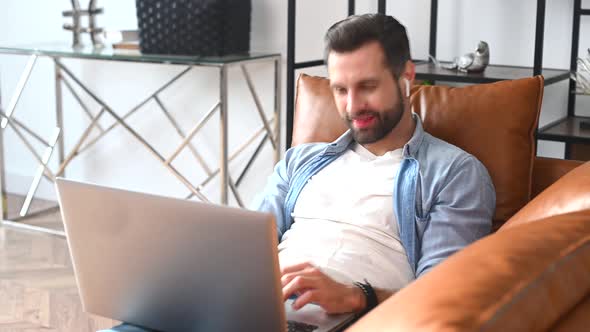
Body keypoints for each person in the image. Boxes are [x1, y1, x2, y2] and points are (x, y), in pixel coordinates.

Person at [252, 13, 495, 316]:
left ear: (406, 76)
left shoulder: (453, 174)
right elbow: (244, 250)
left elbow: (440, 297)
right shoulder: (299, 161)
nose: (352, 106)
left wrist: (356, 297)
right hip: (261, 312)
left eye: (367, 86)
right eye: (340, 90)